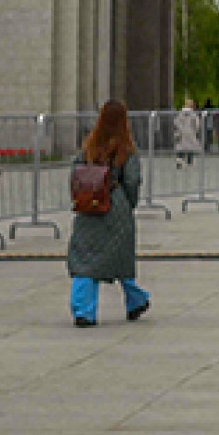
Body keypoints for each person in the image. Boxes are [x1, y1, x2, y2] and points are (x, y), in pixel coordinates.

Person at [66, 101, 150, 327]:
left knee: (85, 260)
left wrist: (80, 197)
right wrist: (127, 204)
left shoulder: (89, 147)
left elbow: (74, 173)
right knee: (120, 258)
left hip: (90, 207)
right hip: (116, 206)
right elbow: (132, 181)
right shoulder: (127, 149)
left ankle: (83, 310)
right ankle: (135, 300)